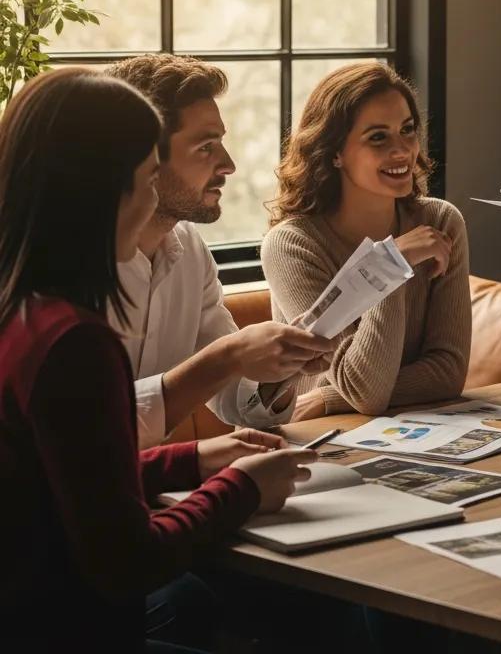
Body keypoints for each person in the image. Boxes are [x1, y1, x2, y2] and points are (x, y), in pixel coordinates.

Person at [0, 68, 316, 651]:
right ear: (99, 188)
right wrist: (241, 488)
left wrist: (187, 460)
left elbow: (61, 479)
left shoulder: (23, 308)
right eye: (146, 176)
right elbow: (126, 562)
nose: (149, 198)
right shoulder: (74, 341)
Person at [107, 55, 334, 448]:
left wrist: (279, 374)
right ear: (144, 158)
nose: (228, 165)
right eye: (205, 147)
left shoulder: (190, 250)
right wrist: (227, 356)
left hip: (156, 489)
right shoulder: (58, 264)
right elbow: (87, 430)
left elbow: (235, 399)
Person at [262, 61, 471, 419]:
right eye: (378, 137)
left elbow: (448, 373)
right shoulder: (292, 247)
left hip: (397, 430)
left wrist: (331, 398)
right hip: (312, 440)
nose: (403, 150)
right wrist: (388, 265)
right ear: (334, 152)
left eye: (407, 130)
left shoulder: (440, 221)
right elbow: (365, 391)